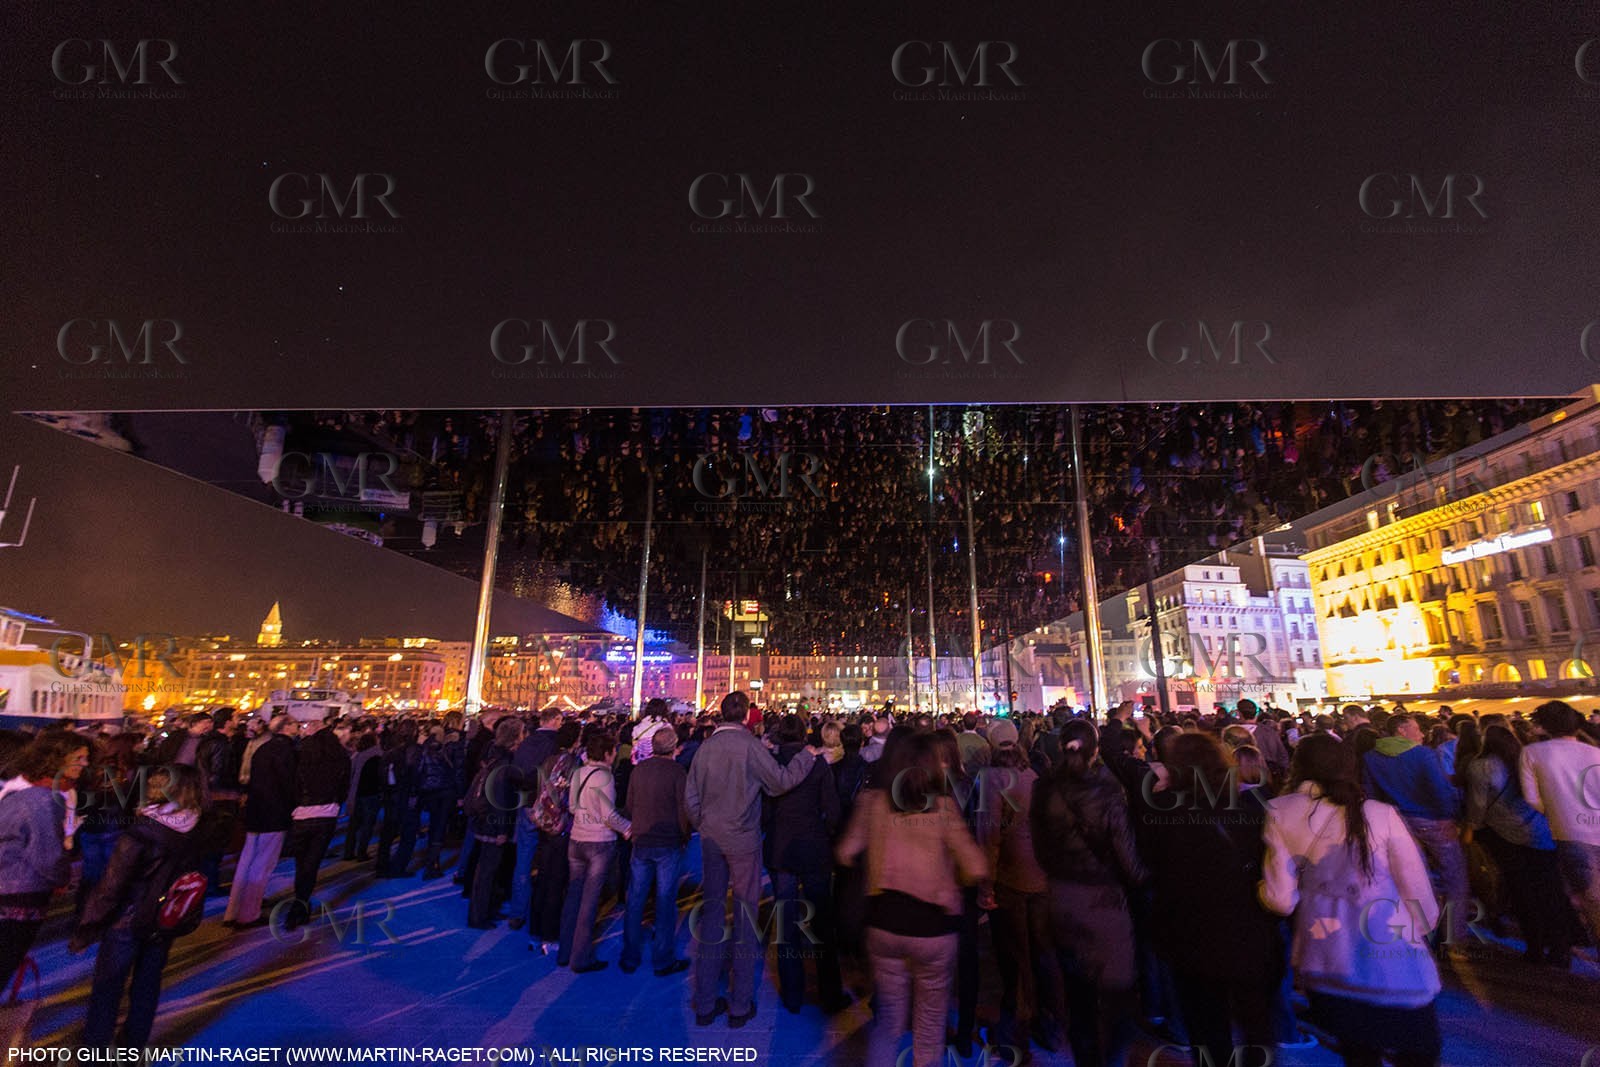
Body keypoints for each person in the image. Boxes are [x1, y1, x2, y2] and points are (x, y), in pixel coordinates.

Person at [1260, 733, 1441, 1067]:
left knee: (1358, 1055)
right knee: (1418, 1055)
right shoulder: (1379, 813)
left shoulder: (1278, 811)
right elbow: (1417, 892)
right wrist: (1419, 936)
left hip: (1327, 961)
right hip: (1393, 963)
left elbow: (1280, 900)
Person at [836, 731, 987, 1067]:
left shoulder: (872, 802)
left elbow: (846, 852)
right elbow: (976, 866)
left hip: (884, 922)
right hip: (934, 928)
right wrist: (952, 875)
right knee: (930, 1025)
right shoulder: (943, 806)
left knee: (888, 1022)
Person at [1140, 732, 1281, 1067]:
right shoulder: (1253, 806)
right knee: (1255, 1022)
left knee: (1206, 1025)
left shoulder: (1163, 813)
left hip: (1192, 932)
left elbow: (1151, 867)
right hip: (1248, 926)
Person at [685, 690, 818, 1028]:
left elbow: (691, 796)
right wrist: (806, 756)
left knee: (712, 913)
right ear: (746, 716)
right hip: (742, 838)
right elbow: (780, 783)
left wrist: (704, 822)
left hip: (711, 836)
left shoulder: (705, 748)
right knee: (745, 916)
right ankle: (739, 1004)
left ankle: (703, 1002)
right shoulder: (749, 746)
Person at [1030, 717, 1145, 1067]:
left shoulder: (1044, 788)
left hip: (1062, 894)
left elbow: (1039, 845)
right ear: (1096, 752)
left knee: (1077, 993)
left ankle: (1087, 1058)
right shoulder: (1106, 791)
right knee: (1119, 994)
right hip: (1103, 898)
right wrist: (1142, 881)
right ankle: (1111, 1058)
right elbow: (1126, 854)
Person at [70, 764, 206, 1048]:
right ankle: (133, 1046)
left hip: (128, 918)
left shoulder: (141, 831)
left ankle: (95, 1049)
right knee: (147, 984)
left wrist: (87, 927)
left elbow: (111, 886)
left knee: (108, 987)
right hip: (164, 917)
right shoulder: (196, 825)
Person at [975, 719, 1056, 1060]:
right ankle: (1049, 1024)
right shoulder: (1033, 777)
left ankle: (1013, 1033)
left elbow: (989, 836)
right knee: (1041, 954)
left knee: (1014, 958)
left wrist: (986, 886)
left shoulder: (991, 780)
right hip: (1040, 877)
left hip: (1010, 879)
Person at [1465, 723, 1570, 966]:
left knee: (1522, 892)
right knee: (1550, 890)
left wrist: (1473, 827)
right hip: (1539, 831)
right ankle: (1560, 948)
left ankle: (1534, 947)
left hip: (1504, 835)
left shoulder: (1481, 767)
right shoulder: (1528, 758)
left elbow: (1478, 807)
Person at [762, 715, 846, 1015]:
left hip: (781, 850)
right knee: (822, 920)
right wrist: (829, 834)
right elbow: (832, 810)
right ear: (804, 734)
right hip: (813, 849)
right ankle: (830, 993)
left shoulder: (769, 765)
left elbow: (763, 811)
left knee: (786, 923)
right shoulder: (818, 765)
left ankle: (792, 993)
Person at [1361, 713, 1470, 944]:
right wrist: (1450, 817)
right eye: (1417, 728)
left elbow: (1371, 796)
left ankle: (1420, 930)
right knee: (1454, 879)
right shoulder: (1423, 755)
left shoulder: (1370, 757)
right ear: (1401, 730)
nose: (1421, 733)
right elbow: (1441, 790)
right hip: (1433, 822)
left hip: (1398, 824)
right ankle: (1452, 936)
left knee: (1415, 878)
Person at [0, 732, 87, 983]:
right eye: (78, 758)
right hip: (20, 896)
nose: (84, 764)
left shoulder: (22, 791)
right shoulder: (42, 800)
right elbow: (48, 857)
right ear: (55, 760)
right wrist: (63, 877)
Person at [1518, 700, 1600, 948]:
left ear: (1543, 726)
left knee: (1591, 899)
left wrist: (1557, 811)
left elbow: (1531, 797)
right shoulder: (1594, 752)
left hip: (1570, 832)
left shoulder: (1532, 753)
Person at [620, 725, 691, 976]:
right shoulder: (677, 772)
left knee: (636, 898)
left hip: (641, 839)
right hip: (668, 842)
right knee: (665, 900)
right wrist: (684, 835)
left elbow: (629, 805)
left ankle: (630, 956)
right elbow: (684, 809)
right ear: (673, 747)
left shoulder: (639, 771)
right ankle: (662, 958)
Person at [559, 726, 631, 971]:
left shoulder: (579, 773)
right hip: (598, 843)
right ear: (608, 753)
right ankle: (581, 957)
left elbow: (570, 807)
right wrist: (627, 828)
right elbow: (609, 815)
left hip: (576, 839)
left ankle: (565, 949)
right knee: (590, 902)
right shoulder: (605, 777)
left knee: (573, 895)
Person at [224, 713, 296, 928]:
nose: (298, 728)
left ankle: (233, 910)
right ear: (286, 727)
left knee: (247, 860)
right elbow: (287, 782)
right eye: (294, 724)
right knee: (263, 863)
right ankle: (249, 913)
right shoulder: (285, 750)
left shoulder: (261, 748)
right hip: (273, 813)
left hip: (255, 810)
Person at [283, 714, 352, 929]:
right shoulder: (340, 755)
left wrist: (295, 802)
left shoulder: (301, 753)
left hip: (302, 812)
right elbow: (344, 786)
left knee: (301, 861)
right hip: (327, 812)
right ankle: (301, 902)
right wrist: (336, 802)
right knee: (312, 861)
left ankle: (299, 901)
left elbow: (292, 782)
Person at [507, 706, 564, 929]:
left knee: (523, 859)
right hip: (547, 807)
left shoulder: (526, 742)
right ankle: (542, 911)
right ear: (555, 720)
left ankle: (517, 911)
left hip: (526, 805)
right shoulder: (555, 744)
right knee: (549, 860)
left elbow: (514, 773)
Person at [467, 717, 525, 929]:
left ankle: (487, 909)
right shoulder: (504, 763)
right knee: (487, 871)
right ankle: (478, 916)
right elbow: (500, 798)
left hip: (487, 821)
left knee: (488, 869)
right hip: (494, 824)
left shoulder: (494, 756)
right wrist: (502, 829)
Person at [341, 731, 383, 862]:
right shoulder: (378, 755)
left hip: (356, 793)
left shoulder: (357, 756)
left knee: (354, 824)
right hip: (371, 794)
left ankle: (348, 851)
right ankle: (361, 851)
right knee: (367, 824)